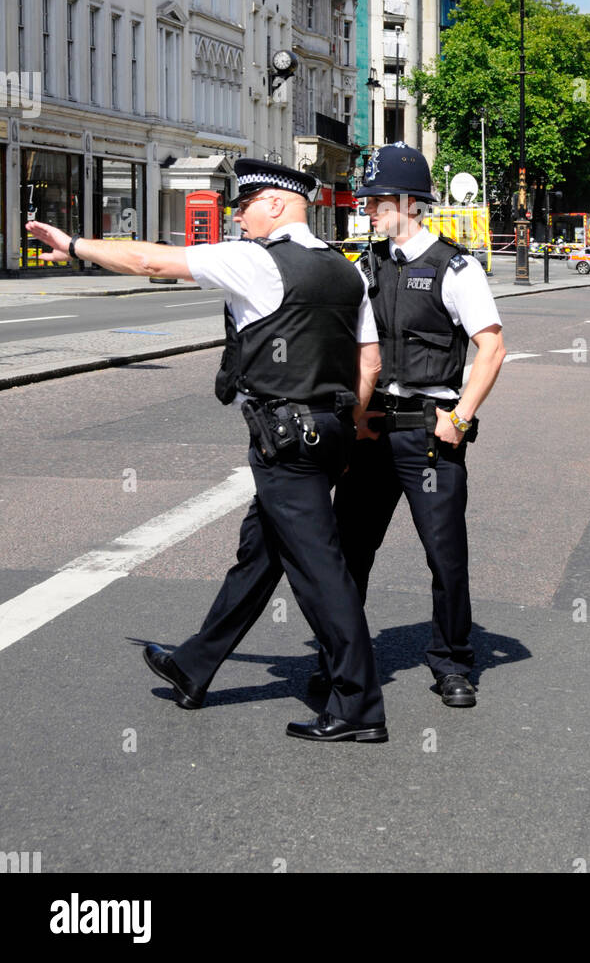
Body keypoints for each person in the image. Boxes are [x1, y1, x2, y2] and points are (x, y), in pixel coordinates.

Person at [26, 158, 388, 745]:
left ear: (276, 203)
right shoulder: (347, 271)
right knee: (260, 556)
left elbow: (150, 261)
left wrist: (72, 243)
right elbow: (367, 363)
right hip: (327, 433)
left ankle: (358, 706)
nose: (237, 218)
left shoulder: (257, 260)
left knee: (321, 572)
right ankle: (196, 666)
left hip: (285, 439)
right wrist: (341, 429)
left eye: (243, 206)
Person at [318, 143, 506, 709]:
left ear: (406, 201)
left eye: (376, 201)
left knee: (444, 554)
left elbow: (491, 347)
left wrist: (461, 418)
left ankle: (452, 662)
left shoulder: (455, 267)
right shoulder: (365, 266)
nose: (368, 209)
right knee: (348, 551)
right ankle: (341, 664)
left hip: (429, 434)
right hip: (372, 431)